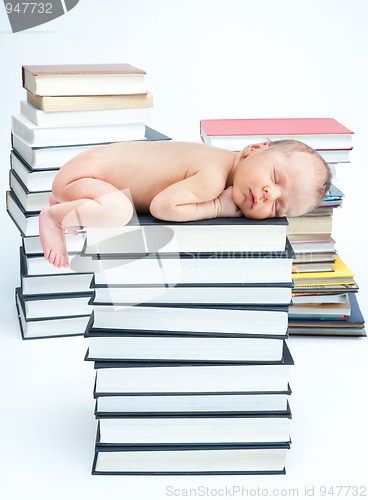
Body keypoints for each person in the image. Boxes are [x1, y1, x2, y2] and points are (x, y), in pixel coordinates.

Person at [39, 139, 331, 268]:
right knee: (119, 211)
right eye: (275, 176)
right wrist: (217, 207)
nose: (270, 194)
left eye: (278, 209)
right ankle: (54, 216)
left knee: (118, 206)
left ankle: (72, 201)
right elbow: (163, 208)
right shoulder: (213, 177)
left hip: (87, 176)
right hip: (83, 175)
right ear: (254, 149)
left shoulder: (220, 161)